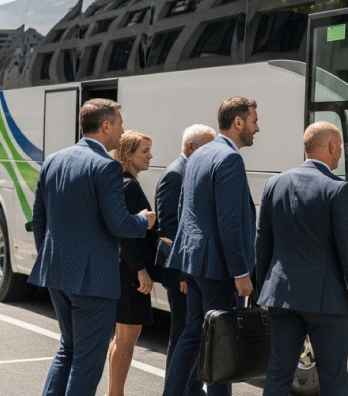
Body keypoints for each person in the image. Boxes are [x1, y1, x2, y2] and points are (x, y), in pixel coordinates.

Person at [29, 99, 156, 396]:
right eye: (120, 123)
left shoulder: (53, 160)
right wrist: (143, 221)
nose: (122, 130)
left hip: (56, 272)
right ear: (106, 126)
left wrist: (50, 258)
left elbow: (39, 218)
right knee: (87, 362)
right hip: (92, 279)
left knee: (68, 350)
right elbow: (119, 224)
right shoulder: (106, 166)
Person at [256, 122, 348, 396]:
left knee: (278, 375)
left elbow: (262, 242)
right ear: (331, 146)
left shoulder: (275, 183)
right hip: (325, 301)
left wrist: (264, 292)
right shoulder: (337, 189)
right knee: (333, 380)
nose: (341, 153)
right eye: (340, 147)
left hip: (281, 296)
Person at [162, 97, 259, 396]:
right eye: (254, 121)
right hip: (216, 266)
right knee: (220, 340)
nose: (258, 128)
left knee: (193, 334)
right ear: (238, 122)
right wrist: (241, 272)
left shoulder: (198, 155)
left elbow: (183, 210)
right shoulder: (229, 158)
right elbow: (228, 221)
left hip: (193, 262)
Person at [154, 124, 216, 396]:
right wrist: (180, 273)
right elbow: (169, 228)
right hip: (181, 273)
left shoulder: (189, 171)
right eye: (208, 146)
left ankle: (190, 388)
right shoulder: (176, 175)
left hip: (189, 270)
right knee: (181, 336)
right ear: (191, 147)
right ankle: (177, 389)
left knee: (191, 336)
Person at [106, 131, 160, 396]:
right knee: (128, 338)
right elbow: (125, 232)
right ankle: (115, 393)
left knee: (122, 337)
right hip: (128, 271)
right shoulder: (129, 185)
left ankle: (115, 392)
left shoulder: (122, 182)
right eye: (145, 151)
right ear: (129, 155)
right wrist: (140, 270)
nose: (150, 156)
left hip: (122, 268)